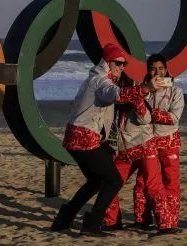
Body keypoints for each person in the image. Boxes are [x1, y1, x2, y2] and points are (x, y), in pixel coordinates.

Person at [51, 43, 148, 236]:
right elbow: (117, 95)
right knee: (114, 180)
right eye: (119, 63)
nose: (122, 67)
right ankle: (92, 224)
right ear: (108, 62)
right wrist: (146, 88)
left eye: (124, 64)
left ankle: (64, 219)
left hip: (77, 138)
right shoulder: (101, 81)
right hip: (84, 138)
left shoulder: (97, 78)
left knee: (96, 181)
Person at [102, 71, 173, 233]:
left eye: (119, 86)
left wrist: (136, 98)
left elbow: (145, 118)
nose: (117, 89)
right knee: (110, 185)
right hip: (125, 150)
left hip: (144, 146)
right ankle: (112, 222)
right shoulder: (114, 103)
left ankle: (166, 225)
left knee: (153, 186)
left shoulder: (136, 97)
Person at [133, 53, 185, 234]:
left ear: (166, 69)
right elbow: (138, 116)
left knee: (171, 182)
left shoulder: (176, 91)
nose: (158, 72)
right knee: (143, 181)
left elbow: (174, 118)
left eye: (161, 68)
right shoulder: (143, 90)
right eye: (153, 69)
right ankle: (142, 219)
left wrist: (151, 113)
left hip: (169, 140)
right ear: (148, 70)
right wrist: (147, 90)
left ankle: (170, 221)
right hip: (147, 139)